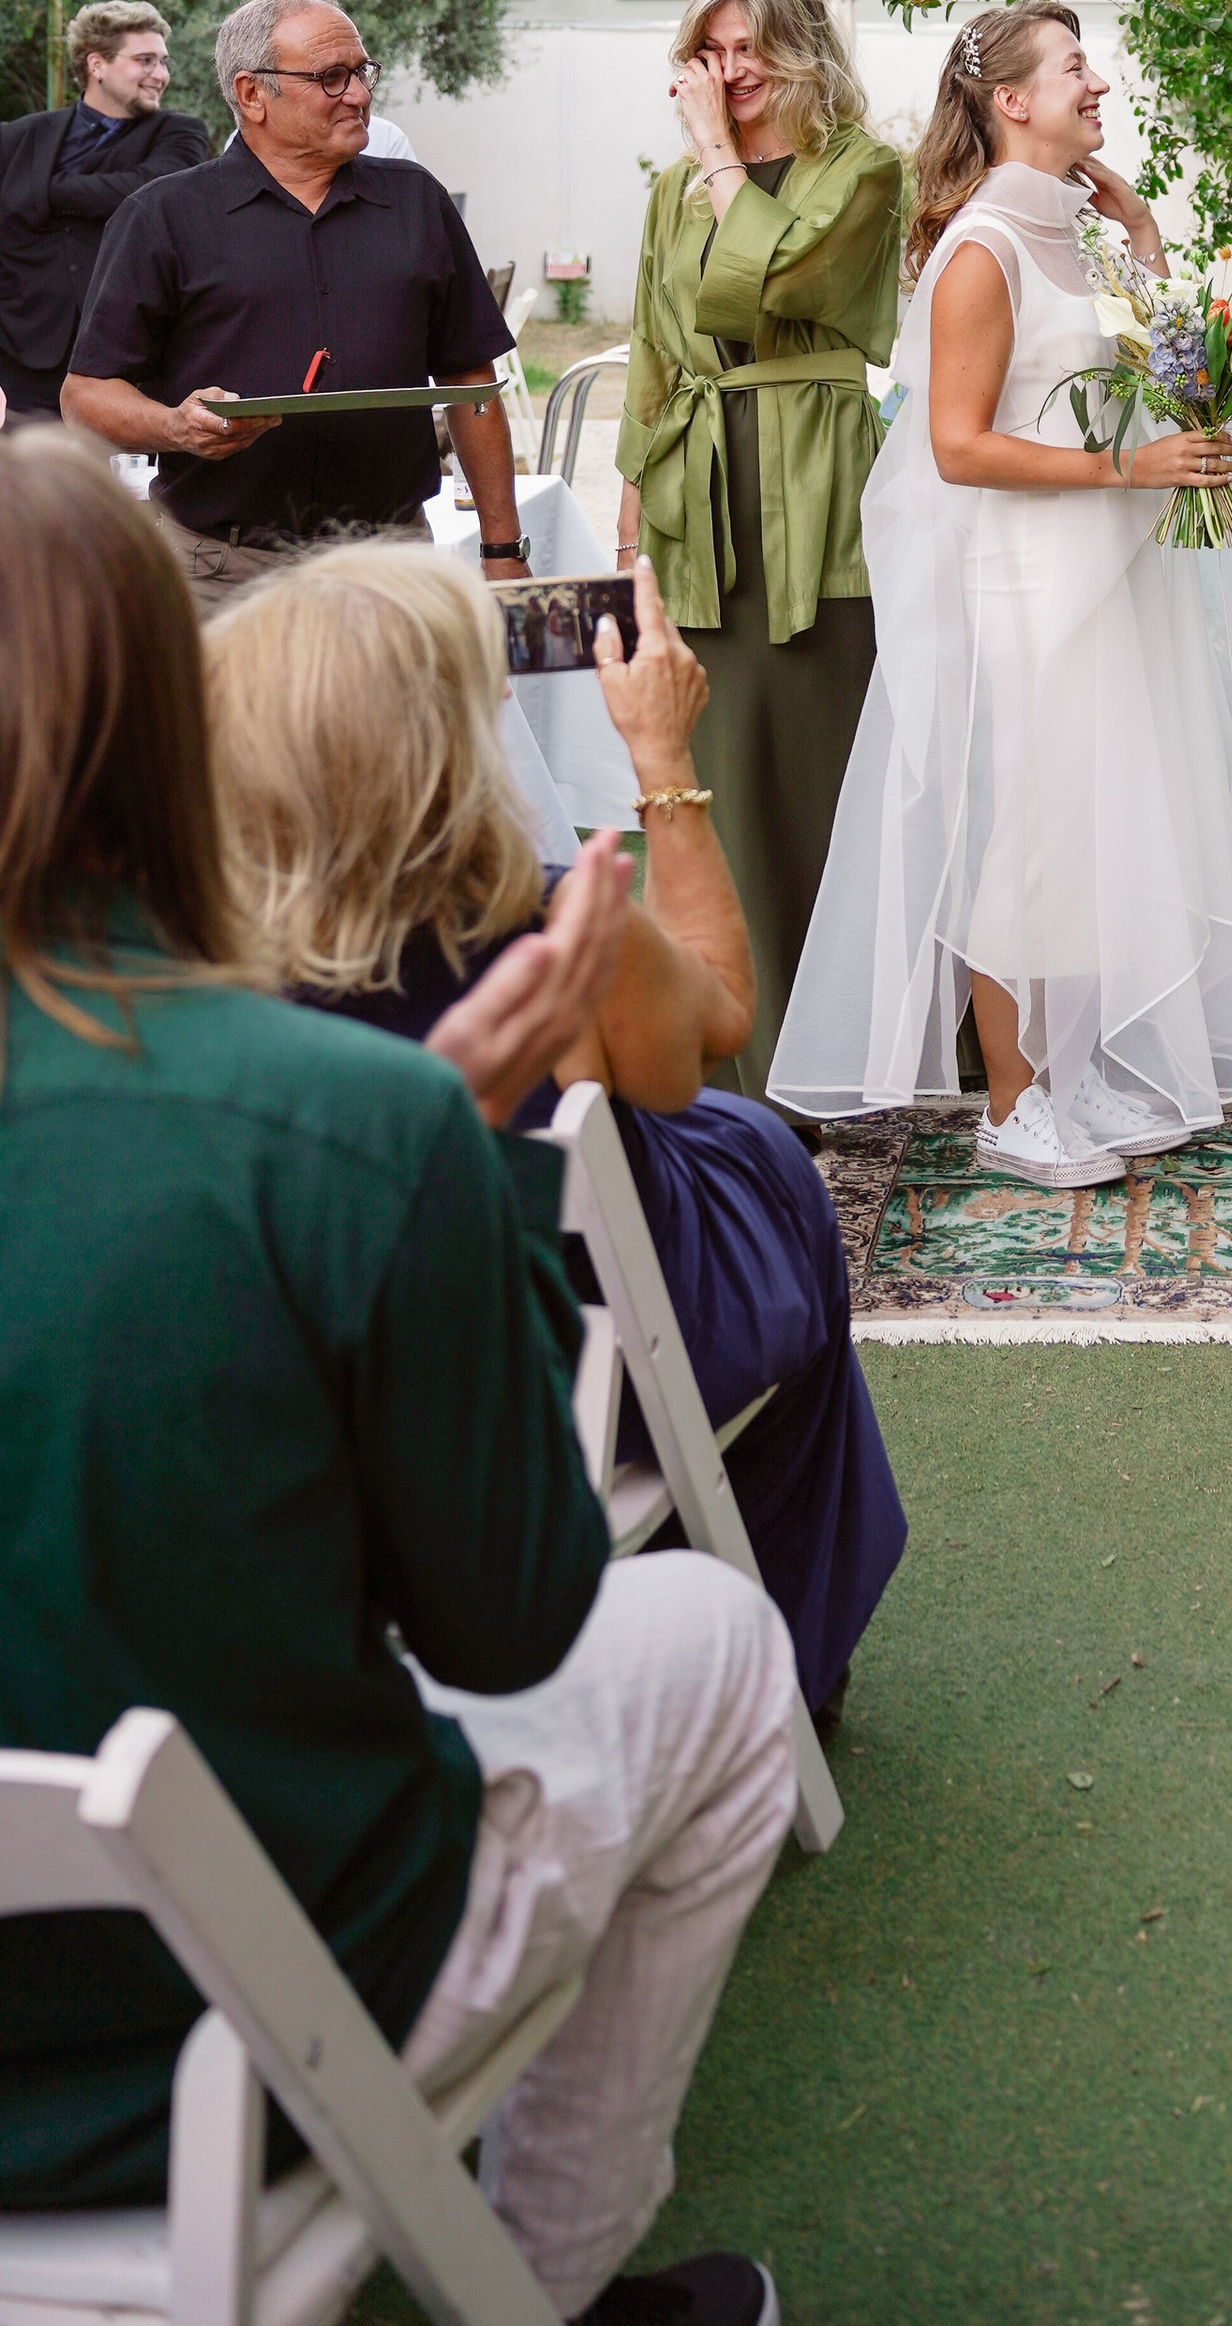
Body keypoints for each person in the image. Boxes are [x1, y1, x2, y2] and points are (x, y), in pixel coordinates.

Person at [0, 426, 795, 2326]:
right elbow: (516, 1623)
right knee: (718, 1655)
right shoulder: (341, 1132)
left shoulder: (332, 1123)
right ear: (162, 734)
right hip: (227, 2008)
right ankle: (542, 2284)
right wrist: (452, 1168)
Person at [202, 534, 907, 1718]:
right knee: (762, 1158)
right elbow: (721, 1018)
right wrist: (662, 758)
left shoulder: (196, 960)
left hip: (311, 1361)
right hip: (583, 1359)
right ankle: (781, 1652)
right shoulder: (542, 923)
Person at [766, 1, 1232, 1184]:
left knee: (1098, 829)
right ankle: (1012, 1102)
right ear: (1010, 100)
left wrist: (1149, 242)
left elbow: (1154, 367)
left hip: (1118, 573)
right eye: (1074, 68)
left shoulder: (1088, 236)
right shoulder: (981, 251)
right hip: (1024, 580)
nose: (1097, 83)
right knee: (1024, 841)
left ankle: (1072, 1075)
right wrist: (1130, 466)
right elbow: (956, 446)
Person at [617, 0, 903, 1096]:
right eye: (711, 52)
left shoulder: (861, 170)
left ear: (802, 52)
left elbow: (774, 286)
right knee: (714, 787)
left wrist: (723, 161)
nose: (729, 74)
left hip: (817, 497)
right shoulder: (669, 188)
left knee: (816, 790)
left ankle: (825, 1066)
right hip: (700, 500)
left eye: (753, 49)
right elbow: (652, 362)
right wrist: (632, 548)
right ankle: (723, 1068)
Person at [59, 0, 524, 601]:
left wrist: (502, 549)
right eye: (331, 77)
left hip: (393, 573)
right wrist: (176, 427)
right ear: (253, 94)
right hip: (218, 579)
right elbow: (85, 395)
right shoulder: (163, 217)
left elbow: (472, 383)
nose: (359, 94)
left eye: (361, 72)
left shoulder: (416, 202)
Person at [0, 0, 208, 421]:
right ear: (97, 64)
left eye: (163, 62)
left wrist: (44, 190)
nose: (161, 75)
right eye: (145, 60)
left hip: (123, 366)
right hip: (19, 362)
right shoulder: (19, 138)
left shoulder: (179, 134)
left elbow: (144, 192)